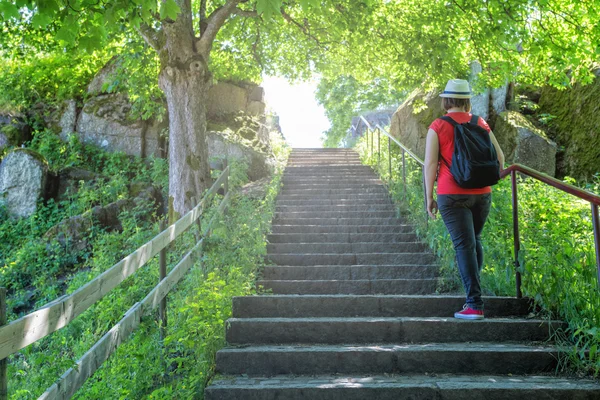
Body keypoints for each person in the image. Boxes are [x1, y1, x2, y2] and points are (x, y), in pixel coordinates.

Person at [424, 79, 505, 320]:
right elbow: (500, 158)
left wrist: (428, 196)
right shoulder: (480, 122)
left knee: (463, 246)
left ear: (446, 100)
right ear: (467, 100)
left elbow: (430, 164)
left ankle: (474, 303)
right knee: (473, 241)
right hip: (482, 194)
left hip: (451, 194)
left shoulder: (438, 126)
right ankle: (474, 297)